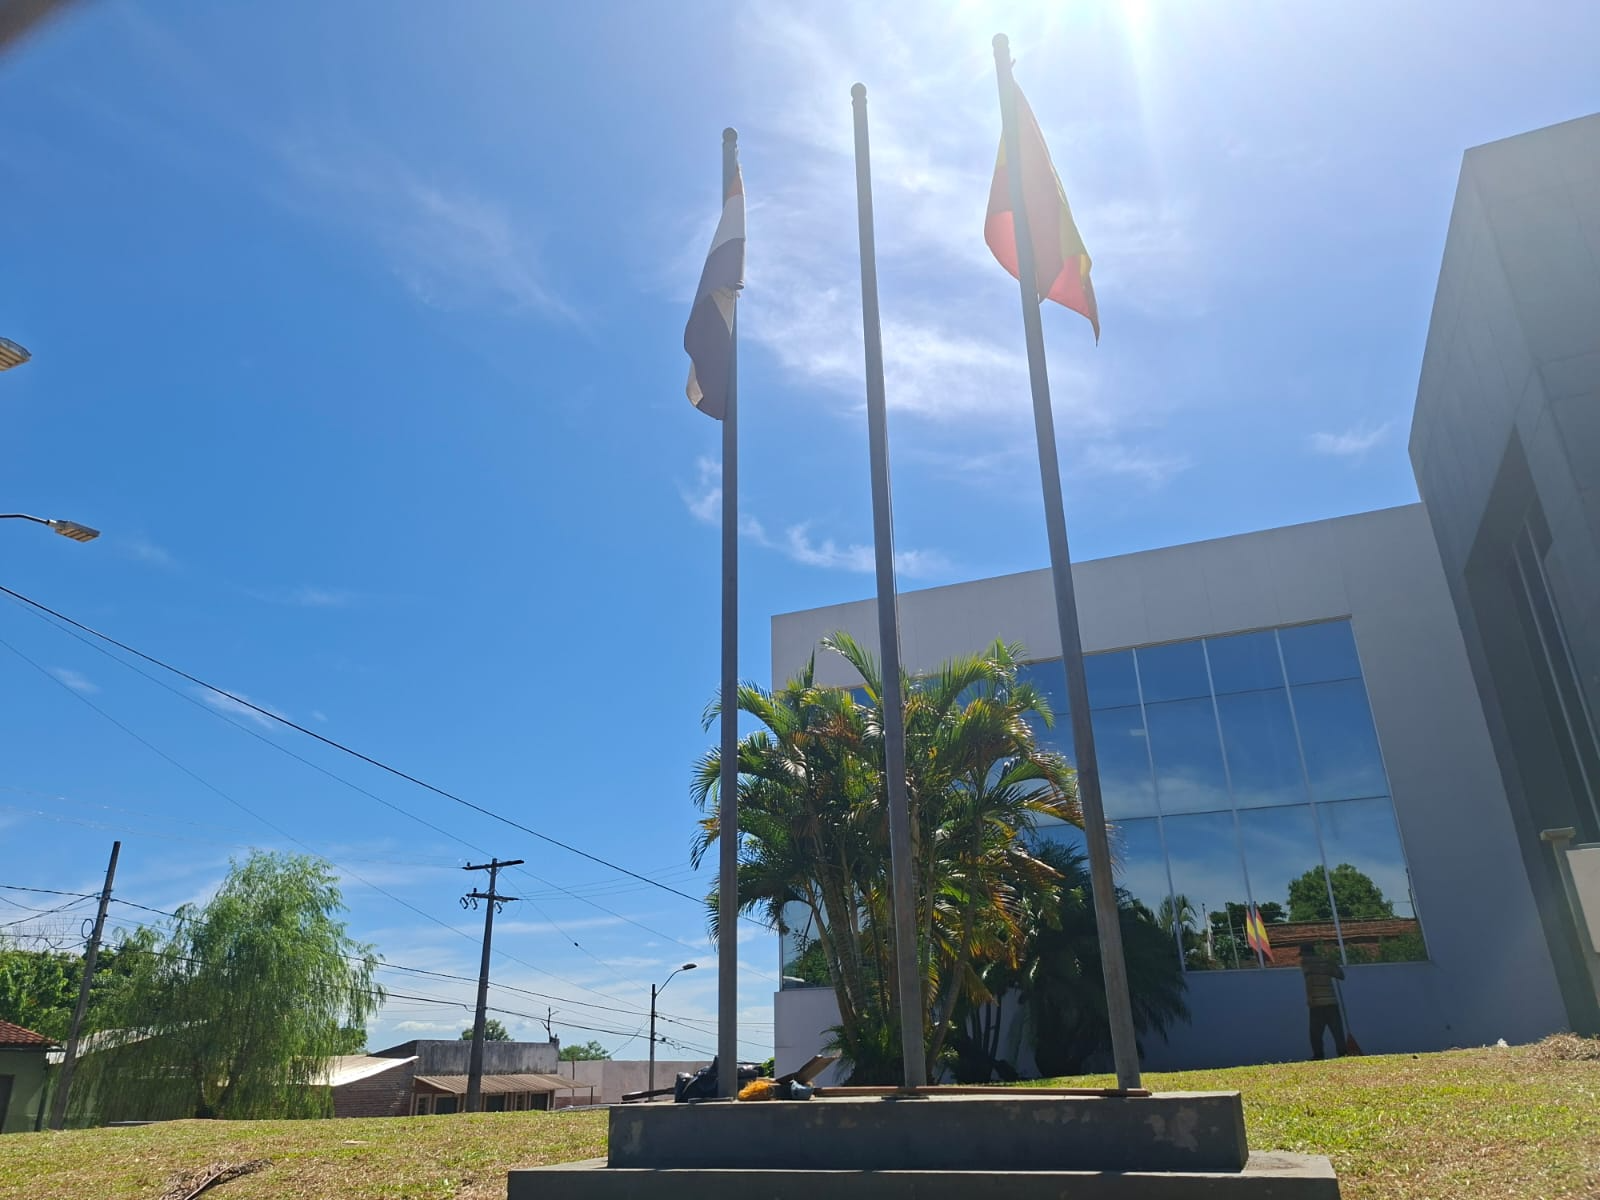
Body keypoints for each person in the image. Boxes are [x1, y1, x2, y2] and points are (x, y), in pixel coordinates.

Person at [1299, 942, 1345, 1060]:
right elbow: (1341, 976)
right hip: (1331, 1001)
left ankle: (1318, 1055)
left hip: (1317, 1003)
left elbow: (1309, 982)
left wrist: (1310, 999)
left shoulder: (1305, 963)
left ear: (1304, 954)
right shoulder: (1325, 961)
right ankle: (1342, 1053)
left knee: (1315, 1034)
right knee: (1337, 1031)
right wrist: (1334, 963)